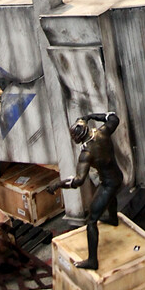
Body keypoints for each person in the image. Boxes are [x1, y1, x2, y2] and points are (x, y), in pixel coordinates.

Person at [48, 112, 123, 270]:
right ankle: (112, 218)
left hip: (108, 183)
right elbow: (113, 118)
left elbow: (78, 181)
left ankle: (92, 261)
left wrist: (58, 184)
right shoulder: (103, 132)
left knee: (91, 220)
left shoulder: (87, 153)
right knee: (110, 196)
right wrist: (92, 116)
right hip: (117, 176)